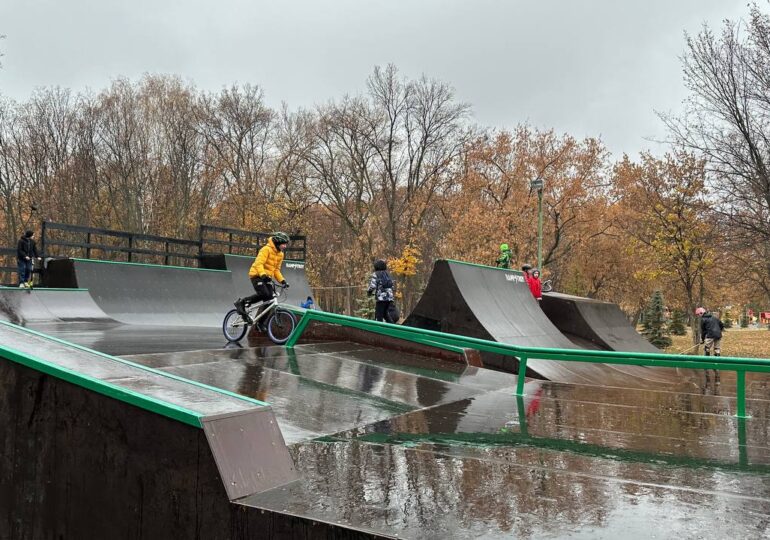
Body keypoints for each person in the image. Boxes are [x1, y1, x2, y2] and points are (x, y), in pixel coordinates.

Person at [234, 232, 291, 325]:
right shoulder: (266, 249)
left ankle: (260, 323)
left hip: (267, 278)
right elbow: (258, 264)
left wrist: (283, 281)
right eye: (283, 244)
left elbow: (276, 270)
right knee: (264, 294)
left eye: (286, 244)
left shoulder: (280, 254)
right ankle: (241, 302)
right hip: (257, 275)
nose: (285, 246)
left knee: (269, 300)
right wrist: (263, 275)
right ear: (278, 242)